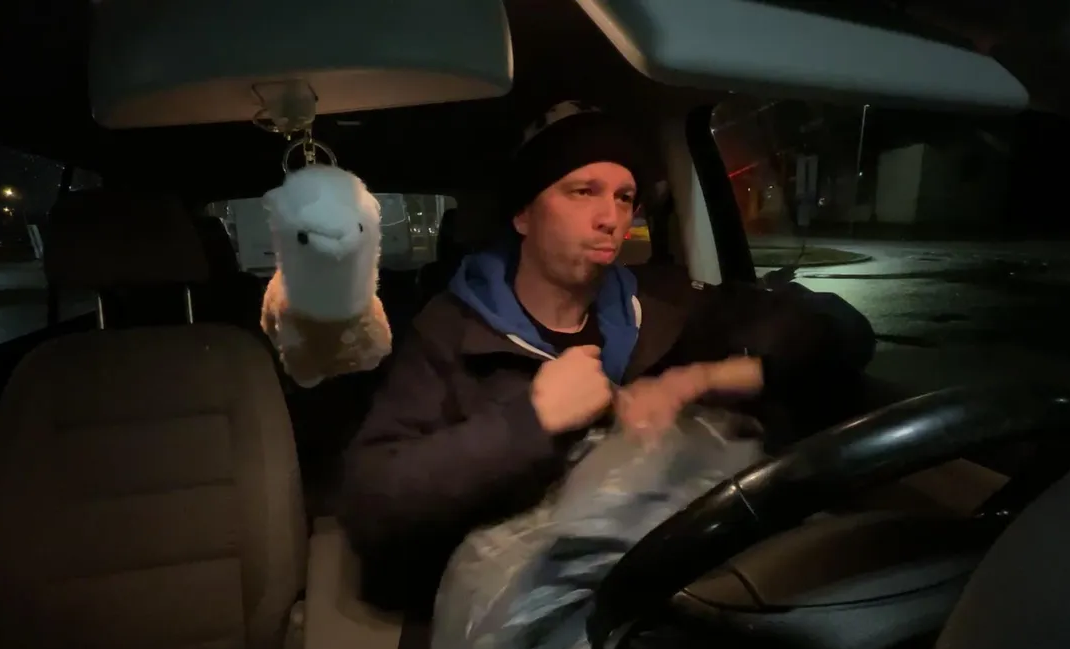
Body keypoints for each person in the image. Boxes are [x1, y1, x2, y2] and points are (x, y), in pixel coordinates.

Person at [338, 101, 875, 615]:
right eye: (583, 191)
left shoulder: (664, 303)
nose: (610, 217)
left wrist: (700, 378)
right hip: (523, 606)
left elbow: (843, 331)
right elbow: (371, 503)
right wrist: (533, 420)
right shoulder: (452, 330)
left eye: (624, 197)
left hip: (677, 589)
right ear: (524, 214)